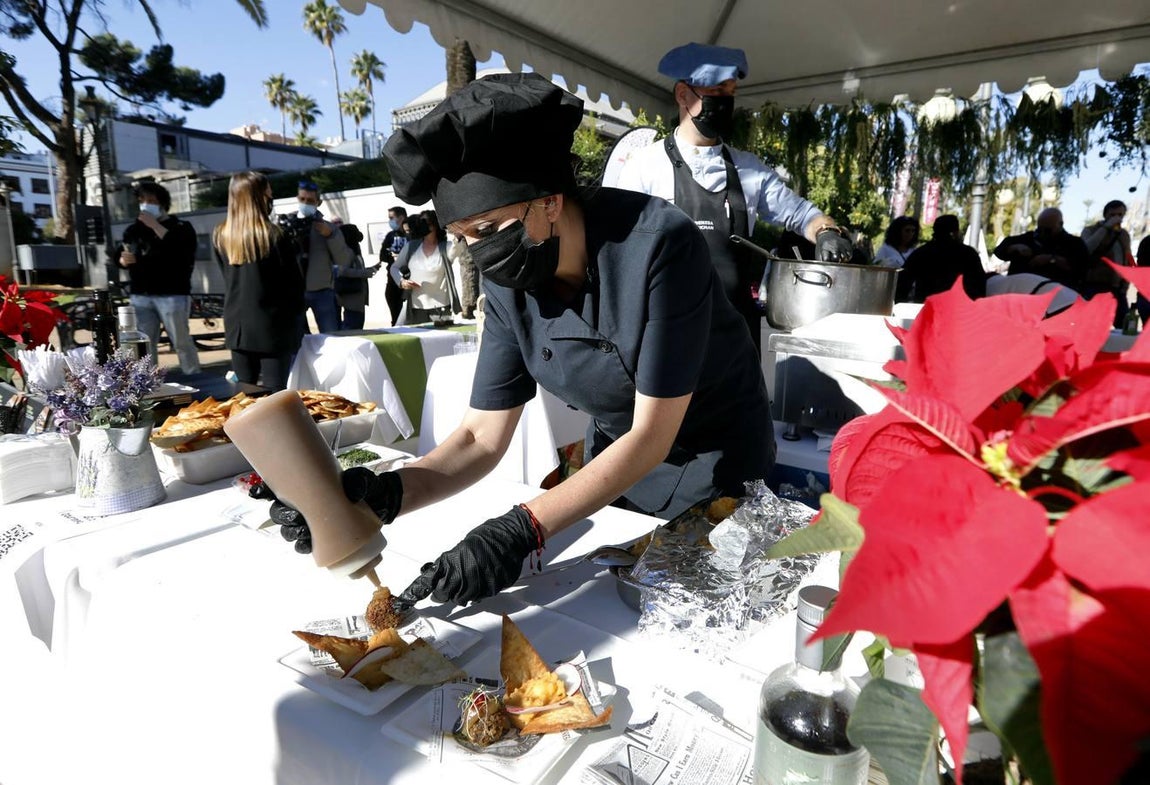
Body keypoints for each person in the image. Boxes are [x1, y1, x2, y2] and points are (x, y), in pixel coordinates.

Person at [265, 73, 774, 608]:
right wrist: (388, 495)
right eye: (465, 240)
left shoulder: (659, 245)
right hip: (613, 471)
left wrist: (525, 527)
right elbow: (481, 437)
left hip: (715, 462)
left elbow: (652, 434)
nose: (484, 253)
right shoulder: (509, 280)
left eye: (490, 229)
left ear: (550, 201)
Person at [616, 43, 853, 353]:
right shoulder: (643, 166)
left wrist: (826, 232)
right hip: (666, 338)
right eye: (715, 91)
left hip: (735, 336)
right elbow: (619, 253)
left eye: (730, 93)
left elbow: (800, 214)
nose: (725, 102)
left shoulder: (748, 169)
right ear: (682, 95)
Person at [213, 172, 306, 391]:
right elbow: (294, 287)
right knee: (275, 395)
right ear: (258, 197)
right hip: (272, 327)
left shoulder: (221, 235)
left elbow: (228, 279)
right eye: (268, 193)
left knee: (244, 395)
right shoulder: (274, 235)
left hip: (237, 327)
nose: (270, 197)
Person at [114, 182, 201, 374]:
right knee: (144, 343)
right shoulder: (133, 230)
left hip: (172, 293)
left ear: (162, 203)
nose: (146, 204)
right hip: (141, 294)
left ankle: (194, 377)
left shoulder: (180, 227)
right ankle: (147, 383)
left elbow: (182, 252)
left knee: (181, 341)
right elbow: (120, 254)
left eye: (151, 200)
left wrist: (155, 225)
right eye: (142, 200)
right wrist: (122, 259)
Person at [288, 180, 353, 334]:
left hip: (322, 291)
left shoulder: (328, 228)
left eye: (310, 201)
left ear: (318, 202)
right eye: (302, 199)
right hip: (294, 292)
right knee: (294, 340)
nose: (305, 203)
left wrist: (330, 236)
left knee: (330, 336)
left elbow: (343, 260)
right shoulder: (288, 225)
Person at [993, 207, 1090, 292]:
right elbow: (999, 251)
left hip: (1056, 295)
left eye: (1047, 230)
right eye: (1040, 229)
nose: (1042, 234)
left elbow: (1081, 268)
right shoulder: (1028, 238)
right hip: (1021, 291)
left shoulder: (1074, 244)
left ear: (1060, 224)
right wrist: (1014, 247)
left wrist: (1051, 259)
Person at [390, 210, 461, 324]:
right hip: (415, 306)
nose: (425, 227)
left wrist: (458, 232)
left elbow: (457, 247)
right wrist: (402, 282)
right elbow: (394, 268)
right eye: (421, 223)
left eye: (428, 223)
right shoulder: (411, 247)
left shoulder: (446, 247)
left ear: (436, 226)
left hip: (441, 307)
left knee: (442, 340)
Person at [895, 215, 986, 302]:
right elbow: (979, 286)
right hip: (959, 309)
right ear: (955, 232)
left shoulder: (922, 253)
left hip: (927, 308)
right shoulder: (969, 254)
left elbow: (902, 283)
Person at [1081, 199, 1135, 327]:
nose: (1117, 218)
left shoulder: (1123, 235)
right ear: (1105, 215)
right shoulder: (1091, 230)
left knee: (1123, 325)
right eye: (1113, 215)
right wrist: (1105, 228)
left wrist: (1125, 284)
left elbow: (1127, 258)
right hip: (1094, 285)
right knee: (1091, 325)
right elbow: (1086, 249)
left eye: (1120, 215)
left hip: (1116, 287)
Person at [330, 218, 380, 330]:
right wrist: (365, 273)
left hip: (356, 296)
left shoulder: (354, 250)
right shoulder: (345, 251)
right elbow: (341, 270)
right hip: (350, 296)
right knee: (351, 329)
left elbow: (356, 269)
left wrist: (372, 269)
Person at [380, 205, 408, 326]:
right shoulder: (390, 236)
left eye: (392, 217)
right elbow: (382, 256)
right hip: (393, 281)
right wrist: (393, 257)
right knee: (396, 318)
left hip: (409, 280)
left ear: (401, 217)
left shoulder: (411, 235)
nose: (390, 221)